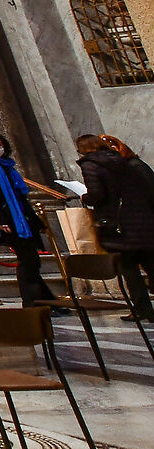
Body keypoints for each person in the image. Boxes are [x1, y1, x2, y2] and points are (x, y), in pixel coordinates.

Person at [0, 129, 54, 307]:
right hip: (9, 218)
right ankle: (33, 303)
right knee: (28, 261)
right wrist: (0, 220)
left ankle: (48, 301)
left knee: (31, 261)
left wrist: (36, 221)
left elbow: (20, 197)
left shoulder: (7, 165)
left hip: (22, 217)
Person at [78, 132, 154, 319]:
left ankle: (142, 310)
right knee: (150, 264)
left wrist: (85, 197)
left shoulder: (91, 164)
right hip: (139, 221)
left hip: (117, 223)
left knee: (128, 268)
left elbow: (97, 194)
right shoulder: (123, 160)